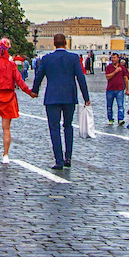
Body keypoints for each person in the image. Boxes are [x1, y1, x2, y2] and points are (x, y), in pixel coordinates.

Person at [31, 34, 90, 171]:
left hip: (52, 97)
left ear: (54, 44)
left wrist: (35, 91)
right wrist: (86, 97)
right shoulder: (73, 58)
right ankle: (68, 157)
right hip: (69, 96)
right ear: (65, 43)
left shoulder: (46, 59)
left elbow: (39, 76)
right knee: (68, 126)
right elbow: (80, 78)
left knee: (54, 128)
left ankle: (58, 160)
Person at [0, 37, 36, 163]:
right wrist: (30, 92)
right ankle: (6, 155)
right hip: (9, 98)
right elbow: (20, 81)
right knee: (6, 128)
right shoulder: (11, 65)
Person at [103, 53, 128, 126]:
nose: (113, 59)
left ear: (118, 59)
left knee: (120, 105)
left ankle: (120, 119)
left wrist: (127, 89)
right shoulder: (108, 67)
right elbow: (107, 77)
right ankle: (110, 119)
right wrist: (115, 71)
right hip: (110, 89)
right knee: (109, 106)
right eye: (112, 58)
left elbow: (125, 78)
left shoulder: (122, 67)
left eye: (115, 58)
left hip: (120, 89)